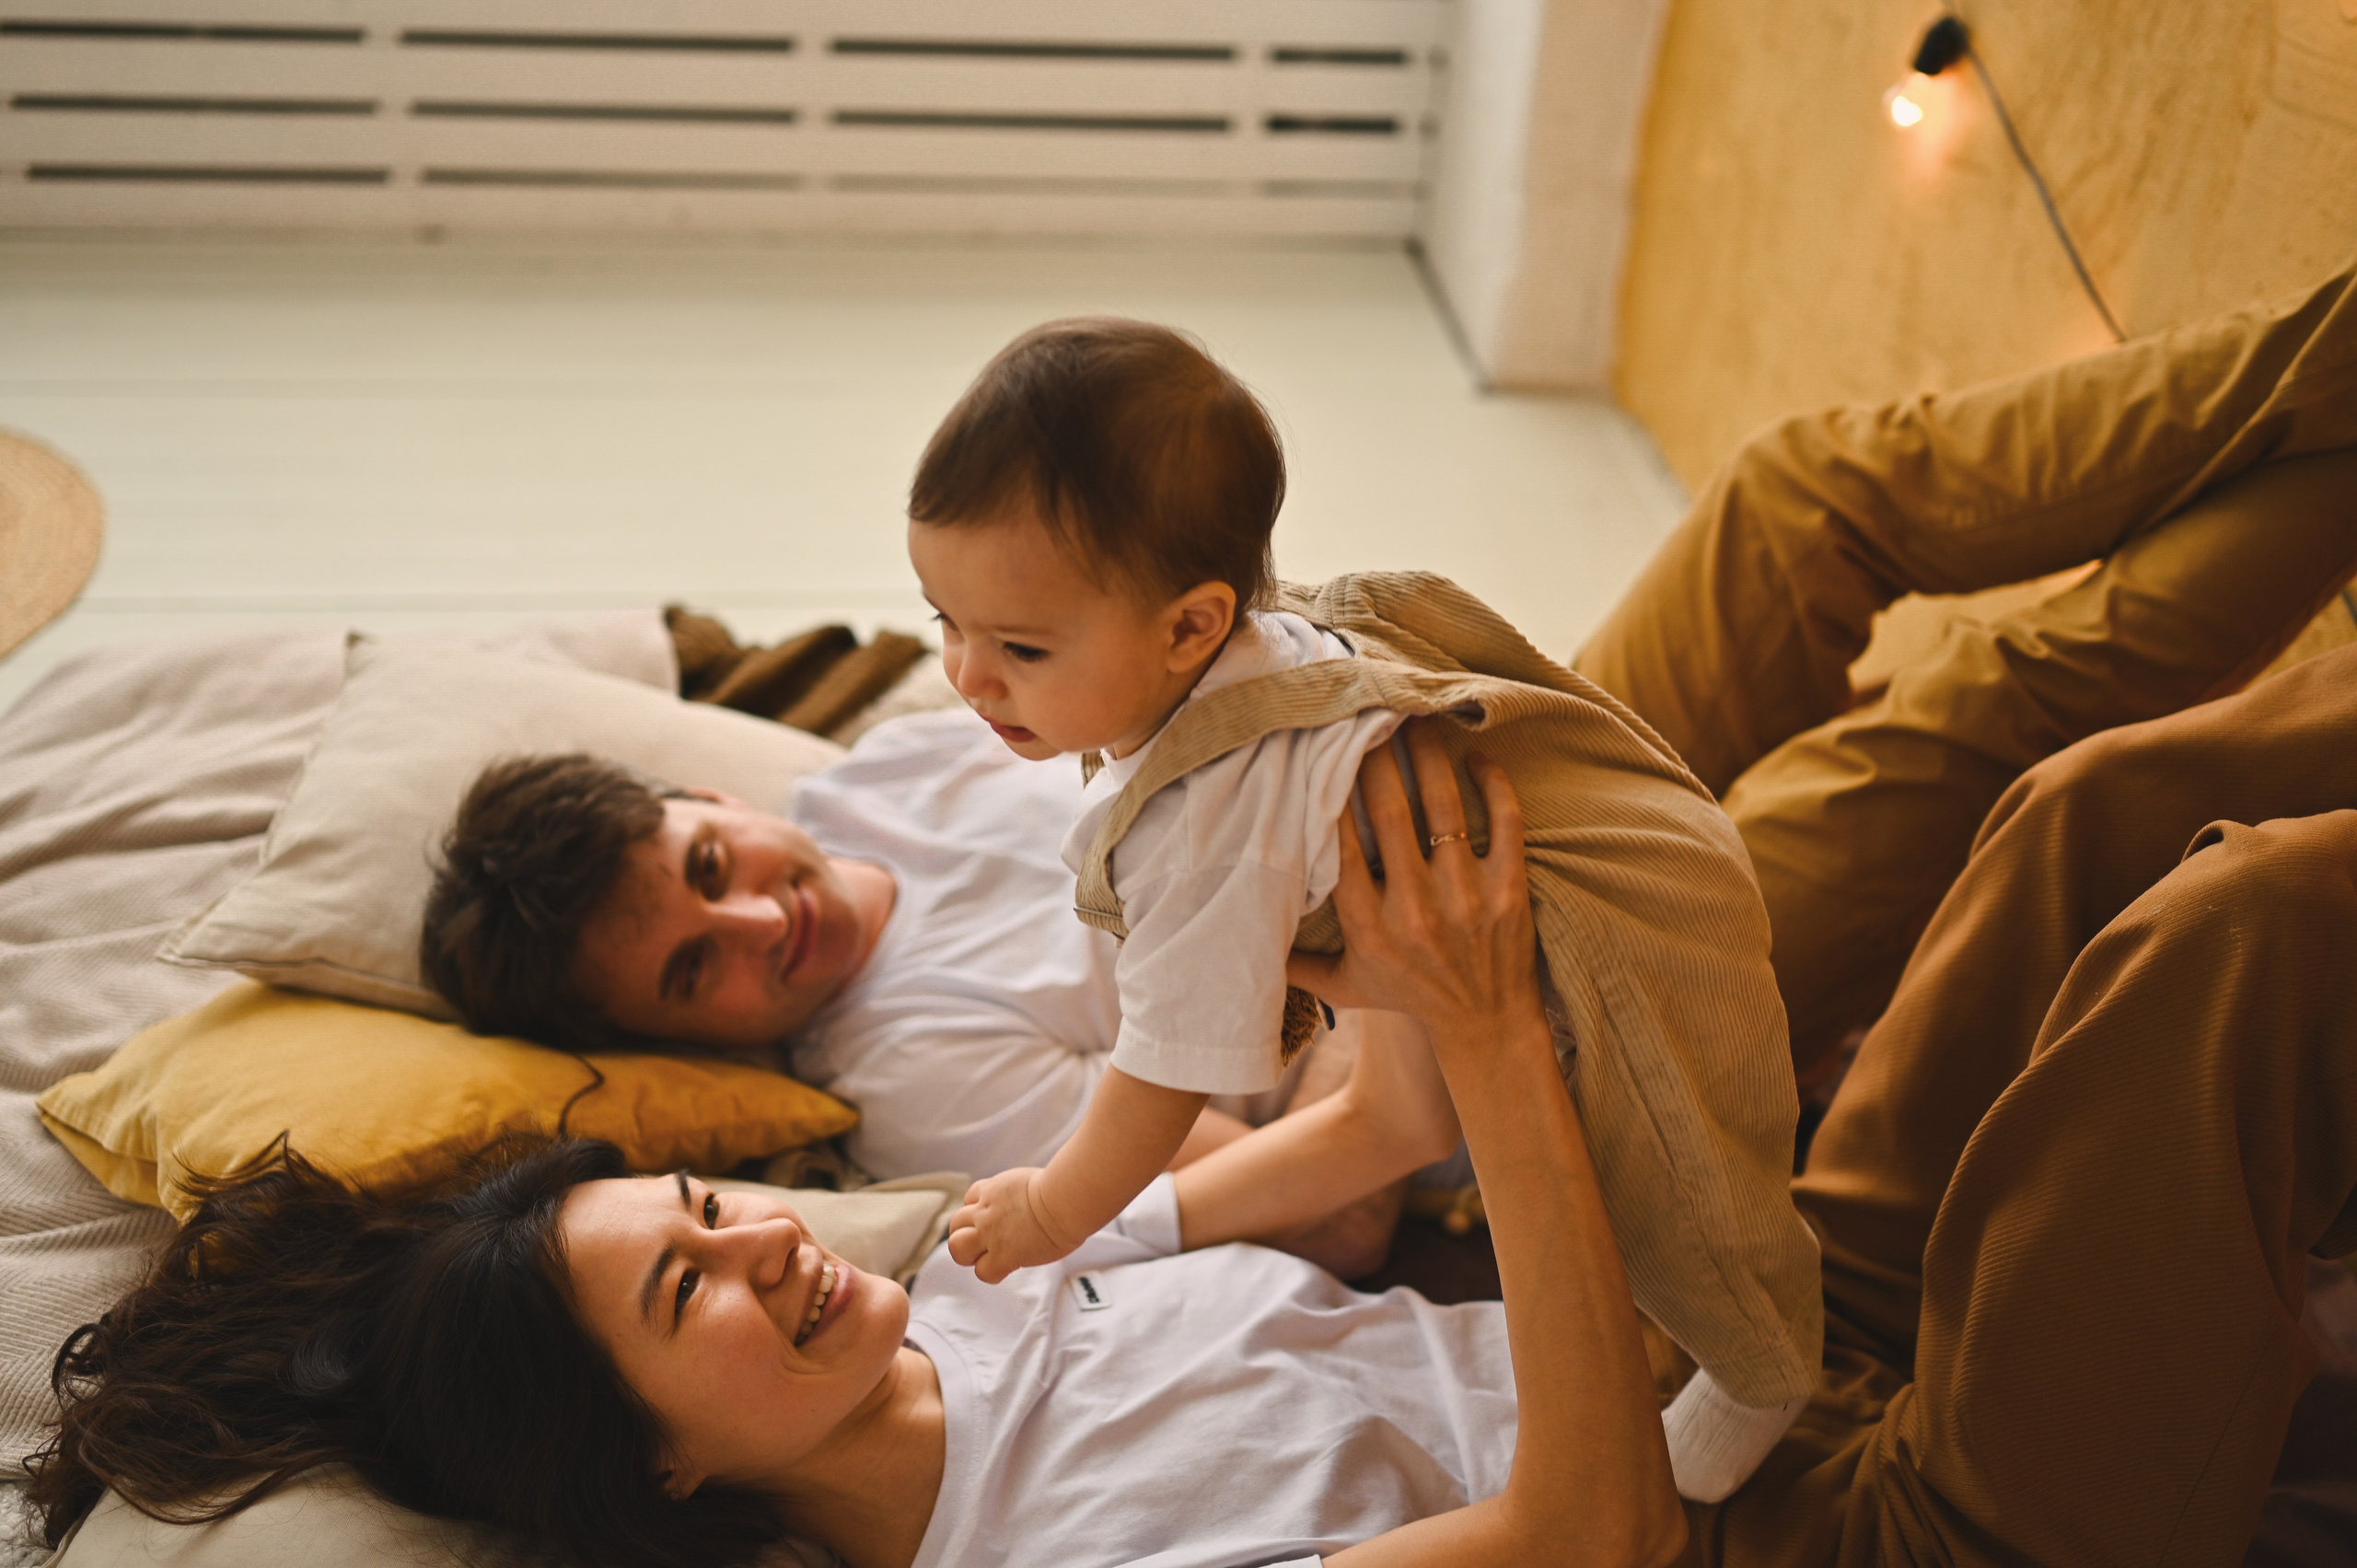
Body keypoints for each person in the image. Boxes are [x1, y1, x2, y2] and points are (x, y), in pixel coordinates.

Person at [35, 731, 1693, 1568]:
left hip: (1709, 1341)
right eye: (694, 1290)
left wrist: (1351, 817)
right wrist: (1474, 1024)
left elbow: (1385, 1130)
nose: (762, 1239)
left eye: (704, 1206)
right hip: (1753, 1506)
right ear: (661, 1465)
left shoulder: (991, 1258)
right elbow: (1593, 1531)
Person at [905, 317, 1821, 1489]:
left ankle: (1764, 1360)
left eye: (1018, 647)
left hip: (1612, 923)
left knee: (1683, 1182)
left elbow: (1161, 1069)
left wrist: (1054, 1205)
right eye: (944, 621)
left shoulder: (1202, 819)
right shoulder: (1226, 667)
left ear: (1191, 622)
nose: (967, 677)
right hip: (1585, 849)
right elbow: (1396, 1113)